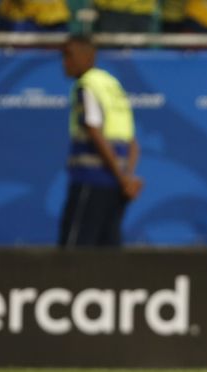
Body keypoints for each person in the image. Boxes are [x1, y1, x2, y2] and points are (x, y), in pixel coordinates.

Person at [59, 35, 142, 247]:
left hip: (91, 182)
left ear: (88, 57)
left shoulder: (87, 86)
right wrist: (127, 179)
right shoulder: (112, 85)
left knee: (75, 249)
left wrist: (124, 180)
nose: (64, 62)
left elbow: (94, 132)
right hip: (116, 187)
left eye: (69, 55)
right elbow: (132, 142)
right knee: (107, 252)